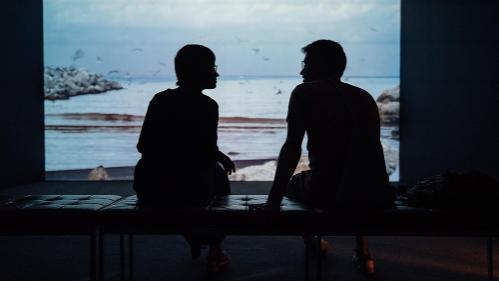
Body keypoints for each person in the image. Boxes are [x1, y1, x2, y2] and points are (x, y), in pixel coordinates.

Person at [259, 40, 396, 273]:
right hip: (375, 193)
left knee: (296, 184)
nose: (302, 71)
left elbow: (292, 148)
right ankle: (363, 250)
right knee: (354, 176)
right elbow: (370, 153)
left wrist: (272, 202)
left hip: (327, 192)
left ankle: (312, 239)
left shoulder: (304, 92)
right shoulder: (363, 96)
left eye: (306, 64)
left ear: (319, 65)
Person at [133, 44, 235, 273]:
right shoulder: (208, 106)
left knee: (198, 177)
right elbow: (205, 151)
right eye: (213, 67)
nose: (217, 73)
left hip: (151, 188)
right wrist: (215, 156)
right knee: (216, 178)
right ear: (200, 71)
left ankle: (195, 235)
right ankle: (216, 248)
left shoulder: (160, 99)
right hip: (191, 191)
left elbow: (144, 146)